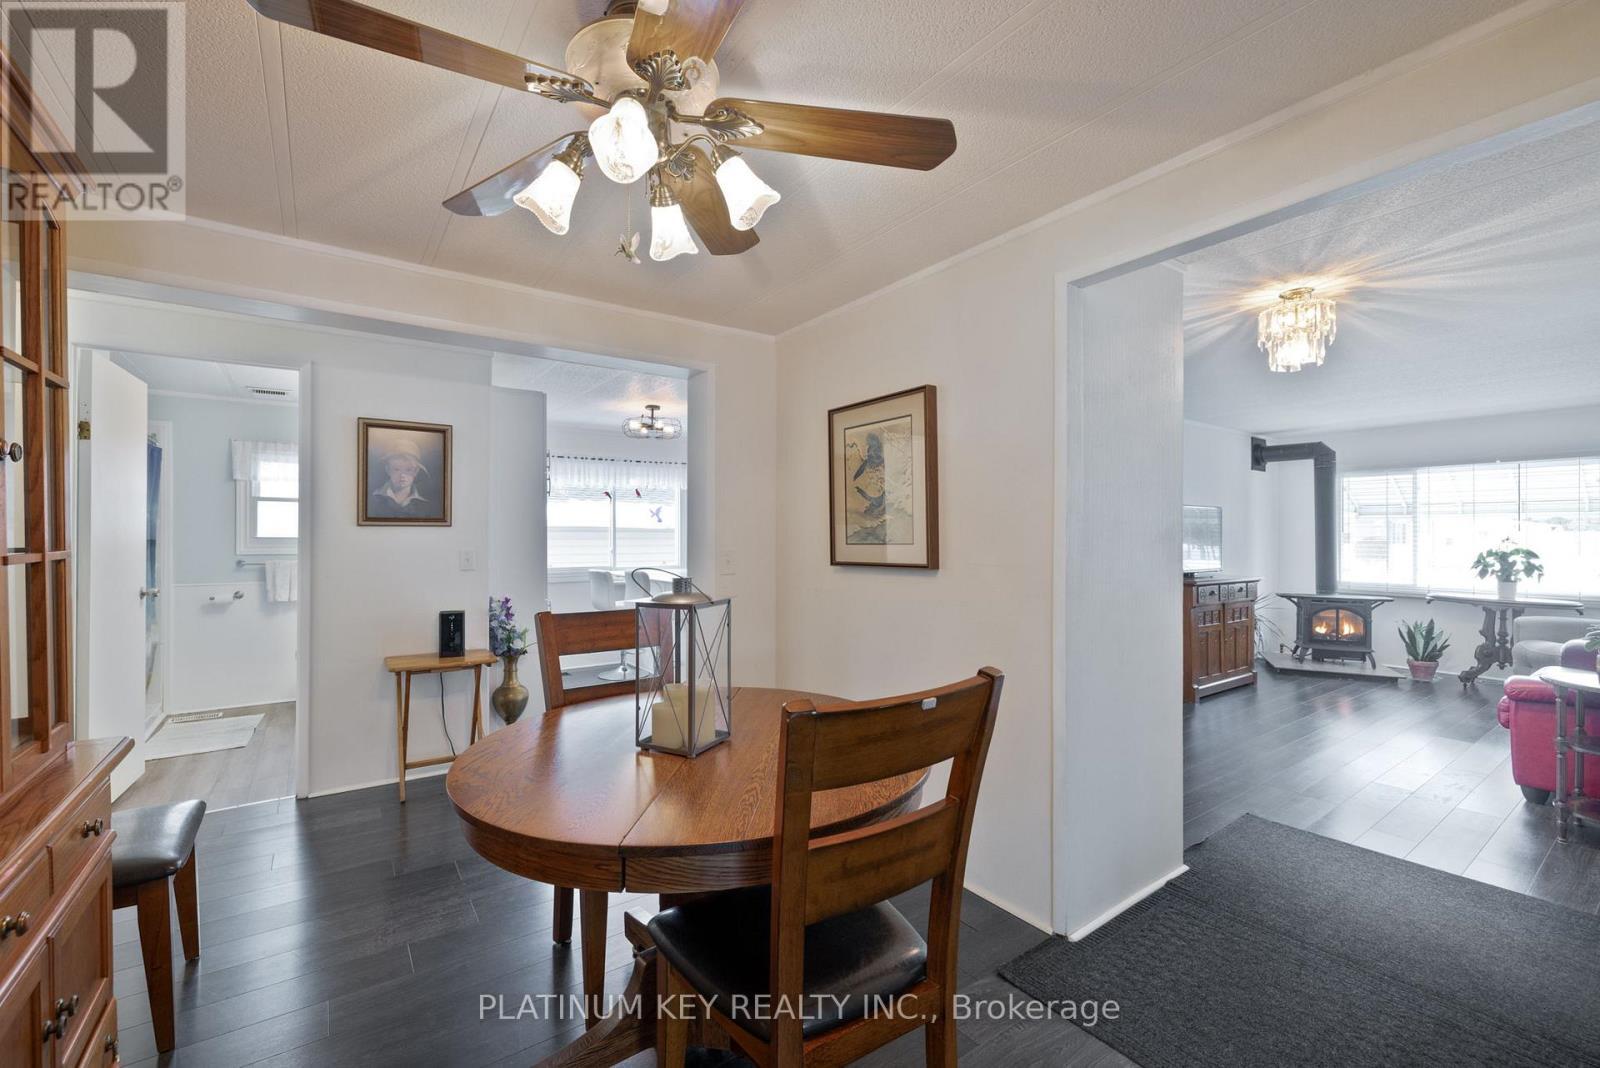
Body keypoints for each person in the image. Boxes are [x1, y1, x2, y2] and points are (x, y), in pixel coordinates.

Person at [369, 437, 433, 518]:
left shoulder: (426, 506)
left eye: (408, 470)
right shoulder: (372, 500)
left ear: (416, 471)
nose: (402, 475)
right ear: (388, 470)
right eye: (396, 469)